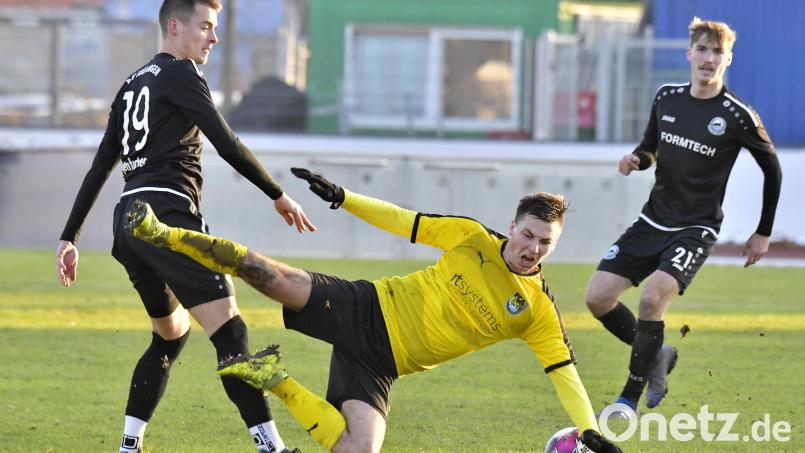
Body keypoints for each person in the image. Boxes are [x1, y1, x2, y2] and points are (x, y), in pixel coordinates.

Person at [121, 167, 623, 453]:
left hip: (381, 365)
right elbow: (404, 220)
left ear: (555, 245)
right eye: (528, 235)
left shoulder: (536, 310)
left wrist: (591, 432)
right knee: (268, 276)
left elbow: (566, 375)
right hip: (367, 307)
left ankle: (273, 378)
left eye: (545, 243)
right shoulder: (471, 237)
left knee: (358, 450)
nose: (533, 248)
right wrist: (343, 197)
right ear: (513, 226)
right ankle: (164, 234)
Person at [54, 1, 312, 452]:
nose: (214, 37)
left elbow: (101, 165)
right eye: (206, 26)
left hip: (128, 221)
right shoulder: (181, 73)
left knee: (170, 335)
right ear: (174, 26)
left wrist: (69, 236)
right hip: (166, 216)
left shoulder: (132, 84)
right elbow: (226, 141)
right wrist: (277, 193)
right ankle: (272, 449)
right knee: (231, 333)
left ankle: (129, 446)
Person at [585, 17, 782, 414]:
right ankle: (657, 353)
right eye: (702, 50)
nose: (709, 59)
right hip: (652, 220)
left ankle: (627, 399)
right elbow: (649, 148)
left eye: (717, 52)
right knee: (597, 298)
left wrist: (763, 232)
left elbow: (772, 169)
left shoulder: (738, 115)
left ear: (728, 59)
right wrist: (636, 160)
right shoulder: (666, 97)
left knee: (651, 298)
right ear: (689, 53)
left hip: (695, 228)